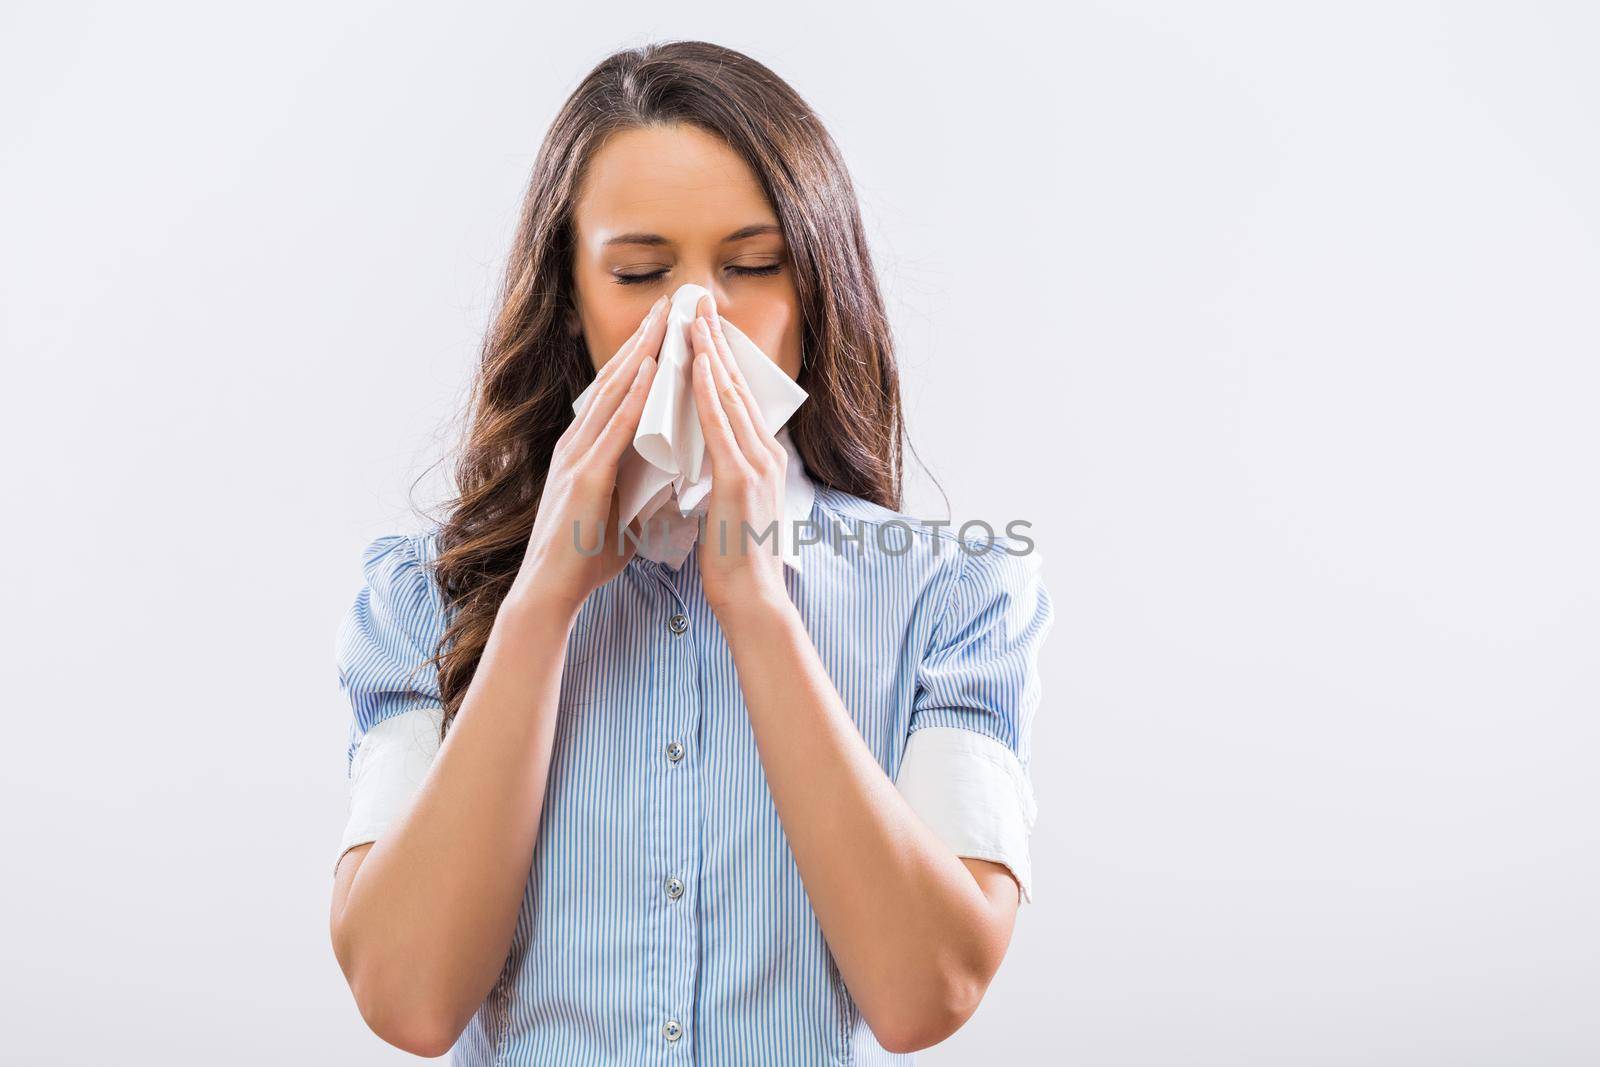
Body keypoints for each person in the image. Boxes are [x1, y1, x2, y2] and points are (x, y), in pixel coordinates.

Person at [328, 39, 1055, 1065]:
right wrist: (541, 598)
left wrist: (757, 598)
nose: (695, 321)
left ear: (814, 291)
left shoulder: (955, 593)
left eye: (753, 267)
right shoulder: (418, 594)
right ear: (571, 299)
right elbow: (407, 1000)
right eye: (639, 272)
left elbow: (925, 992)